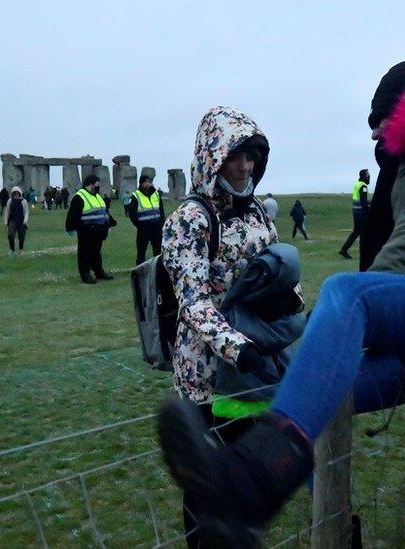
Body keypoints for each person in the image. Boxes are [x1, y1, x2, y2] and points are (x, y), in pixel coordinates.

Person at [157, 57, 405, 543]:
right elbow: (195, 298)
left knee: (349, 296)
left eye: (378, 120)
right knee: (321, 385)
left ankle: (254, 488)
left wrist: (367, 316)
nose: (374, 137)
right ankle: (268, 519)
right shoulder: (191, 218)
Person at [159, 106, 301, 547]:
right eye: (235, 157)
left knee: (242, 468)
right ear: (211, 158)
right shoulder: (190, 220)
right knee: (204, 479)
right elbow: (193, 302)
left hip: (252, 366)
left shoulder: (258, 211)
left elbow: (276, 274)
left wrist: (295, 317)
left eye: (252, 157)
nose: (245, 167)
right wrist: (238, 347)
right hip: (205, 371)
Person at [66, 174, 116, 284]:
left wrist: (111, 221)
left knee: (96, 253)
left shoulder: (98, 197)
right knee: (85, 253)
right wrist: (70, 228)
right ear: (90, 184)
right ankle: (85, 274)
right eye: (97, 185)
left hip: (98, 231)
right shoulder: (79, 196)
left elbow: (104, 211)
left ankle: (99, 272)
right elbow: (73, 214)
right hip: (86, 231)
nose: (98, 187)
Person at [129, 174, 166, 265]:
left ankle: (158, 271)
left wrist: (161, 223)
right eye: (145, 182)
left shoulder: (156, 194)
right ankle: (139, 273)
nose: (147, 184)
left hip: (156, 228)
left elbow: (161, 210)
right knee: (141, 253)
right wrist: (140, 226)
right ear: (141, 183)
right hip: (143, 229)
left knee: (158, 253)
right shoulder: (136, 196)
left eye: (149, 182)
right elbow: (132, 214)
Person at [338, 169, 370, 259]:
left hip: (356, 212)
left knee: (356, 232)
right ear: (364, 176)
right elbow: (363, 202)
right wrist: (368, 212)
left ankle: (344, 250)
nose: (369, 177)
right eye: (368, 175)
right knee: (362, 233)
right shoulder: (363, 186)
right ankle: (363, 253)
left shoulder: (357, 184)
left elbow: (360, 199)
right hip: (361, 213)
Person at [4, 186, 29, 253]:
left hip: (21, 221)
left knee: (21, 236)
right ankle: (12, 249)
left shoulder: (24, 201)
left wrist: (25, 220)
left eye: (17, 193)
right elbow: (7, 211)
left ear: (20, 193)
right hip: (12, 220)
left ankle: (21, 249)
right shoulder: (10, 201)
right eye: (14, 193)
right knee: (10, 235)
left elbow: (26, 212)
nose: (16, 194)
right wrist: (6, 222)